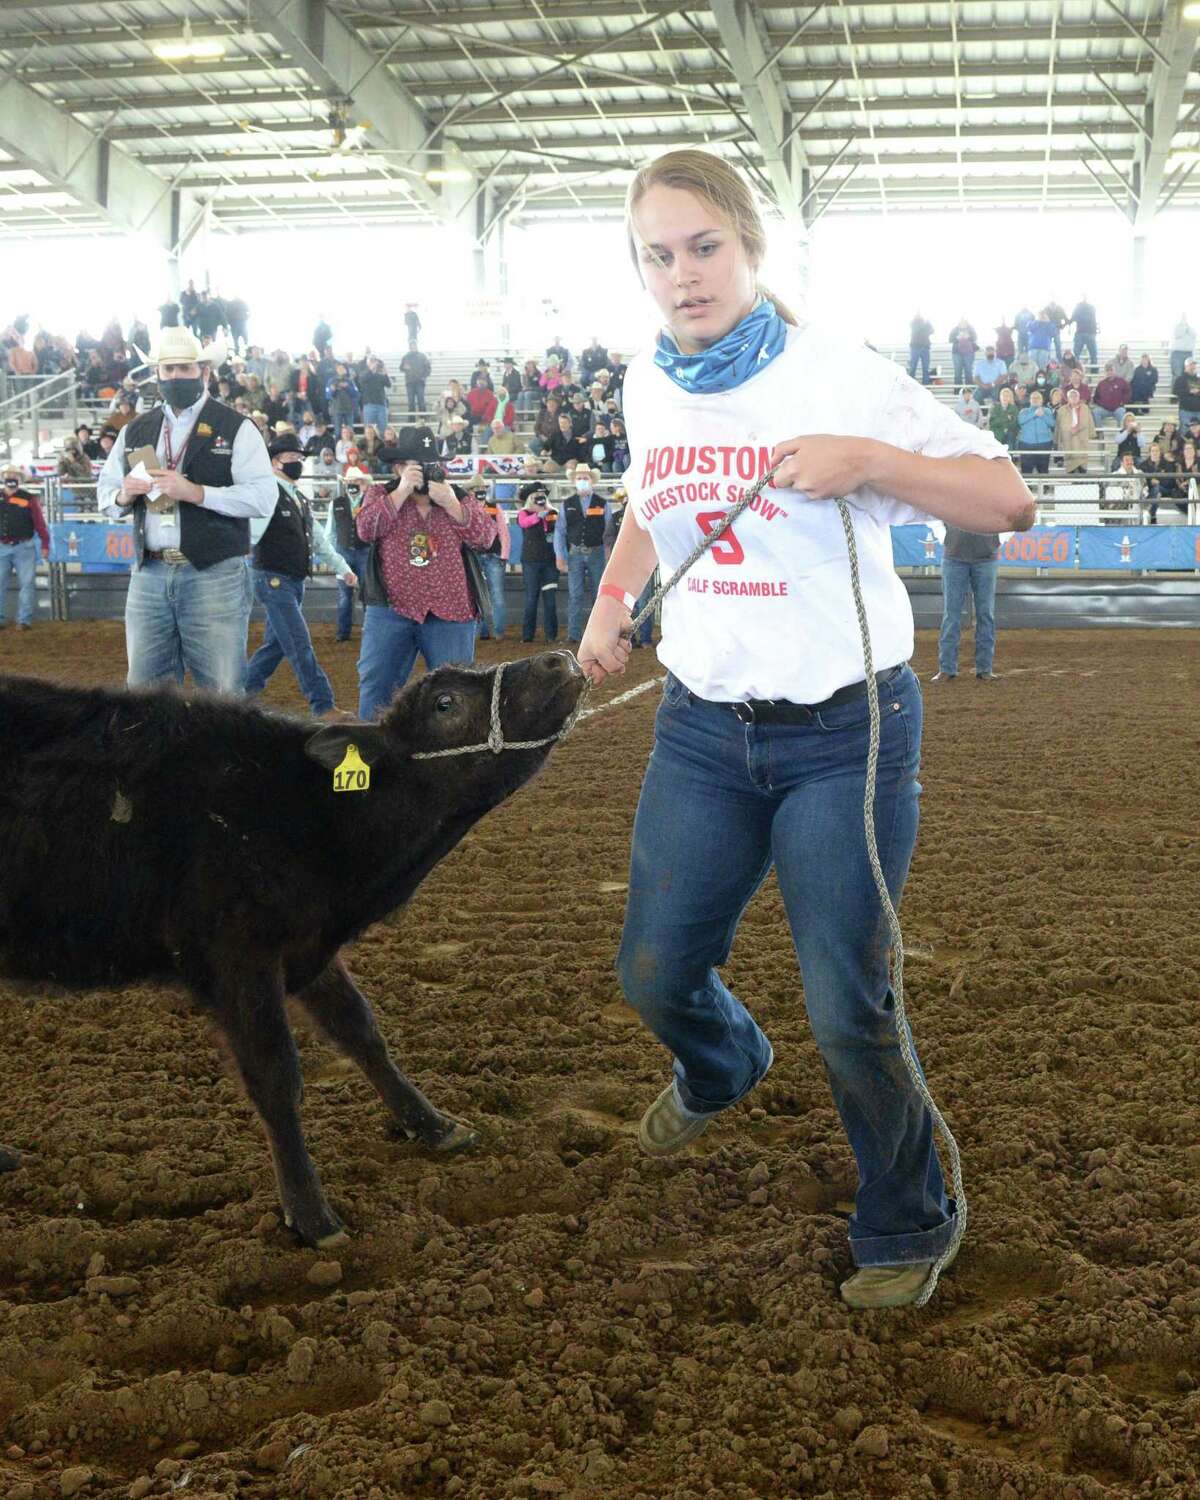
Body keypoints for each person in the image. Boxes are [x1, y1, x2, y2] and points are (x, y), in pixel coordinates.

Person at [576, 149, 1032, 1311]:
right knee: (654, 968)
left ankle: (912, 1215)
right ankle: (725, 1061)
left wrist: (870, 462)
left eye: (703, 248)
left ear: (750, 248)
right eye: (657, 256)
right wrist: (612, 599)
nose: (682, 276)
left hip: (845, 732)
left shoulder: (838, 373)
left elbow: (1007, 498)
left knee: (848, 998)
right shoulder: (647, 382)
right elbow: (649, 500)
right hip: (701, 729)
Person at [95, 326, 277, 693]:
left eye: (185, 368)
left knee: (222, 691)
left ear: (204, 372)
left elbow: (262, 497)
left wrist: (197, 493)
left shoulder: (237, 428)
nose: (176, 376)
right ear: (158, 375)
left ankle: (223, 753)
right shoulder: (135, 430)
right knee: (145, 691)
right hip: (149, 572)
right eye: (168, 369)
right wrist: (124, 496)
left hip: (215, 572)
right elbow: (107, 494)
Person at [354, 427, 497, 720]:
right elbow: (365, 530)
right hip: (392, 609)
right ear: (398, 467)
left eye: (432, 464)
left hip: (452, 612)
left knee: (456, 696)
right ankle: (373, 756)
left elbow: (485, 538)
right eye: (416, 465)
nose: (427, 471)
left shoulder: (457, 496)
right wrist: (402, 491)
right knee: (376, 688)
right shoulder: (380, 494)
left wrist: (452, 504)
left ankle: (455, 760)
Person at [244, 435, 355, 716]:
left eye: (300, 459)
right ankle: (323, 705)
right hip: (273, 579)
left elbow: (319, 541)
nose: (297, 463)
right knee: (298, 643)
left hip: (290, 582)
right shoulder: (267, 493)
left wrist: (344, 569)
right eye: (291, 458)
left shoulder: (300, 498)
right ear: (274, 461)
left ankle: (239, 694)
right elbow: (250, 536)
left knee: (277, 645)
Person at [931, 524, 1002, 683]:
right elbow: (935, 515)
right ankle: (947, 668)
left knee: (985, 614)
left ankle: (984, 668)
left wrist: (997, 539)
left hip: (985, 559)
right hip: (954, 558)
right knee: (952, 615)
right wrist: (945, 538)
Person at [553, 464, 608, 642]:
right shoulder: (566, 504)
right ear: (574, 481)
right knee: (575, 595)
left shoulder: (603, 503)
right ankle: (573, 635)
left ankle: (597, 634)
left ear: (592, 481)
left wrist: (608, 554)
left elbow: (609, 532)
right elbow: (560, 531)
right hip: (575, 553)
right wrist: (560, 555)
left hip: (597, 552)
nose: (583, 481)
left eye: (586, 478)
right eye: (579, 478)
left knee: (597, 595)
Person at [324, 465, 372, 643]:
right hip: (343, 552)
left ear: (362, 483)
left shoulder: (370, 502)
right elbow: (330, 531)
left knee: (368, 593)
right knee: (345, 595)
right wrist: (332, 555)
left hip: (365, 552)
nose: (353, 484)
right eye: (350, 481)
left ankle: (369, 630)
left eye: (356, 481)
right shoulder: (335, 503)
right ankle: (343, 632)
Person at [0, 467, 50, 631]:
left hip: (24, 546)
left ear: (19, 479)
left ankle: (24, 620)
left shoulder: (28, 498)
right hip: (2, 546)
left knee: (27, 583)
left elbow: (39, 522)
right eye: (8, 475)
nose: (11, 478)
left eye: (14, 475)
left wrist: (45, 543)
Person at [516, 467, 559, 643]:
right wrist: (538, 515)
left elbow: (558, 527)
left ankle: (551, 635)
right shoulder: (523, 513)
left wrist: (548, 510)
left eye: (542, 496)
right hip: (531, 561)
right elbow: (524, 523)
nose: (540, 498)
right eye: (536, 496)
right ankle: (527, 635)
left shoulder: (552, 513)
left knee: (550, 600)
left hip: (549, 560)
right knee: (531, 598)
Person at [474, 483, 511, 642]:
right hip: (476, 555)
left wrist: (504, 555)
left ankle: (497, 631)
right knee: (480, 595)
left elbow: (503, 532)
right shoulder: (466, 507)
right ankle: (486, 631)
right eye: (476, 488)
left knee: (494, 595)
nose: (479, 490)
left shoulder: (494, 507)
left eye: (481, 487)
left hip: (491, 555)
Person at [1055, 386, 1095, 474]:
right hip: (1068, 439)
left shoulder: (1085, 408)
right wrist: (1057, 440)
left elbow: (1090, 422)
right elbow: (1058, 426)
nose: (1073, 398)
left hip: (1082, 439)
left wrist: (1092, 434)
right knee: (1070, 465)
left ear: (1079, 397)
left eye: (1075, 396)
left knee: (1082, 465)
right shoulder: (1062, 410)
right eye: (1071, 396)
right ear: (1067, 398)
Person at [1016, 388, 1055, 476]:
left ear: (1042, 400)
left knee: (1043, 469)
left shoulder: (1047, 411)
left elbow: (1052, 424)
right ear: (1030, 400)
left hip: (1044, 444)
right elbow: (1020, 421)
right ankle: (1027, 488)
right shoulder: (1024, 411)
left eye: (1038, 398)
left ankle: (1045, 488)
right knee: (1026, 469)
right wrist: (1034, 414)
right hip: (1026, 444)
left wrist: (1043, 416)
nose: (1035, 400)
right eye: (1033, 398)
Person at [1091, 363, 1130, 431]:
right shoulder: (1101, 383)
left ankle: (1121, 433)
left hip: (1118, 408)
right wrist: (1102, 404)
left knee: (1121, 413)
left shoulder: (1121, 381)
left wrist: (1122, 402)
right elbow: (1096, 397)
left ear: (1114, 370)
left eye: (1111, 370)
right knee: (1095, 412)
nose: (1109, 372)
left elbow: (1128, 392)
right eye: (1107, 370)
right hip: (1105, 409)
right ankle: (1100, 433)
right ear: (1105, 372)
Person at [359, 355, 392, 433]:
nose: (374, 362)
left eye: (374, 360)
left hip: (381, 405)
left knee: (383, 429)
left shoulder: (380, 375)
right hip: (369, 405)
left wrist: (385, 374)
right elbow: (362, 380)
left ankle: (383, 444)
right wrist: (371, 369)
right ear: (368, 363)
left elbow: (388, 384)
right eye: (371, 361)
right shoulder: (363, 373)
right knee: (369, 430)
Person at [401, 342, 430, 415]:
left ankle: (423, 419)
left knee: (421, 401)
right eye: (411, 346)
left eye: (414, 345)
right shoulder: (405, 356)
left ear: (417, 346)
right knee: (411, 402)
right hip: (410, 383)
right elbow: (401, 368)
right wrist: (404, 368)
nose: (413, 347)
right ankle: (411, 420)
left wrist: (423, 377)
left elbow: (428, 368)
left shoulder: (422, 356)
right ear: (409, 347)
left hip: (420, 382)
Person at [988, 385, 1019, 452]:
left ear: (1010, 397)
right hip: (997, 434)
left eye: (1007, 396)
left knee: (1010, 436)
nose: (1005, 397)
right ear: (1000, 397)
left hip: (1010, 435)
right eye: (1003, 395)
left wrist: (1001, 420)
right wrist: (1006, 418)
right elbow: (993, 423)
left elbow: (1014, 424)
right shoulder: (994, 408)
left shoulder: (1014, 408)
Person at [1070, 295, 1098, 370]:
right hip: (1085, 333)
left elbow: (1073, 318)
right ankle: (1076, 372)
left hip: (1084, 333)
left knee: (1092, 355)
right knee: (1091, 355)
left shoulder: (1079, 307)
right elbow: (1073, 318)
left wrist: (1068, 322)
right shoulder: (1090, 307)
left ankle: (1093, 373)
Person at [948, 316, 977, 386]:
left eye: (964, 320)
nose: (962, 322)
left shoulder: (971, 329)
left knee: (968, 371)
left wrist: (968, 337)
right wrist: (957, 338)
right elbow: (950, 339)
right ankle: (957, 390)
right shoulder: (955, 329)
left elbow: (975, 337)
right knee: (957, 372)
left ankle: (969, 389)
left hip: (969, 353)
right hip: (957, 353)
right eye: (961, 320)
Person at [907, 312, 933, 385]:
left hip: (925, 348)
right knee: (912, 368)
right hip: (915, 348)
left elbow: (932, 331)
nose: (920, 315)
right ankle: (910, 384)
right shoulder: (913, 322)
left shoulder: (926, 323)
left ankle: (926, 385)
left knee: (926, 368)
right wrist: (925, 323)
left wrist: (929, 323)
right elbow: (916, 329)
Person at [1170, 315, 1195, 380]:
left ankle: (1189, 390)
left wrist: (1187, 326)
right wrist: (1184, 326)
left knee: (1190, 374)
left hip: (1189, 352)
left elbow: (1194, 334)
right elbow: (1177, 334)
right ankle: (1177, 390)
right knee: (1177, 375)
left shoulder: (1191, 326)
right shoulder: (1176, 325)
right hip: (1177, 353)